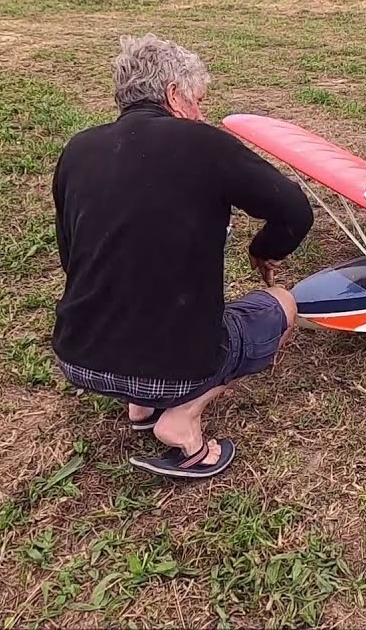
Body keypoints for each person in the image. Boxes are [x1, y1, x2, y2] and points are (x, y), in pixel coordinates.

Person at [51, 34, 313, 479]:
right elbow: (295, 210)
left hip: (77, 357)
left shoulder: (77, 149)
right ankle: (183, 424)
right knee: (283, 305)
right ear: (175, 95)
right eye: (199, 100)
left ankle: (141, 408)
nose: (202, 113)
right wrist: (264, 249)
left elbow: (69, 255)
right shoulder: (203, 143)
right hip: (179, 367)